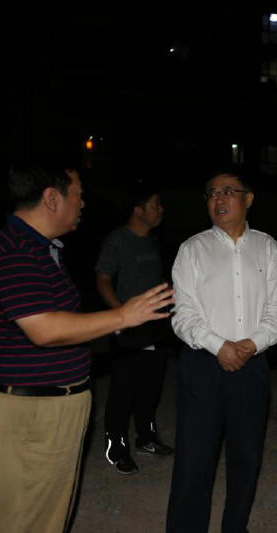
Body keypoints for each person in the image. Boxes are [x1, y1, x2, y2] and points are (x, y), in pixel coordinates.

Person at [0, 162, 173, 533]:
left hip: (43, 412)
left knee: (45, 519)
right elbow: (45, 329)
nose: (83, 203)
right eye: (78, 194)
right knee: (27, 523)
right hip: (27, 418)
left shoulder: (43, 249)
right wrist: (123, 316)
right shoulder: (14, 251)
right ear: (51, 198)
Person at [166, 172, 277, 533]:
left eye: (227, 192)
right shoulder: (192, 249)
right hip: (202, 366)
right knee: (194, 461)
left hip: (252, 366)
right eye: (211, 194)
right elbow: (183, 313)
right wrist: (219, 346)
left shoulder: (268, 247)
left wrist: (251, 345)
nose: (218, 199)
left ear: (248, 199)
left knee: (246, 458)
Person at [95, 183, 174, 475]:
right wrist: (120, 315)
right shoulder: (118, 239)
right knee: (123, 391)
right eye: (155, 205)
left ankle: (147, 438)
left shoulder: (152, 240)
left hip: (155, 327)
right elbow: (102, 279)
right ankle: (116, 447)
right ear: (138, 209)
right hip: (128, 328)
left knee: (150, 387)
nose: (161, 210)